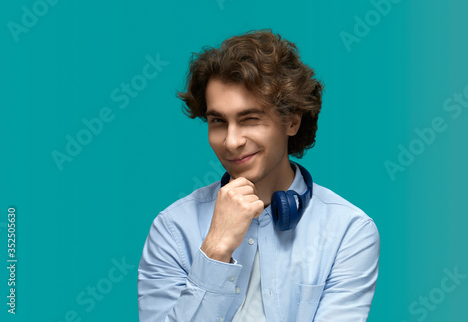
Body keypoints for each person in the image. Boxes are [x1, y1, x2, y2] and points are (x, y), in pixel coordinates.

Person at [138, 29, 380, 322]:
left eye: (250, 119)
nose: (231, 141)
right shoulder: (172, 229)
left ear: (291, 120)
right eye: (217, 121)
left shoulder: (349, 231)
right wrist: (215, 250)